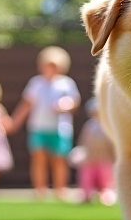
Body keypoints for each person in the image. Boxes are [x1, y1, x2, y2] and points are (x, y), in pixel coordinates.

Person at [11, 46, 80, 199]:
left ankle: (60, 189)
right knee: (38, 159)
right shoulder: (35, 83)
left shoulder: (66, 84)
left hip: (60, 129)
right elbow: (26, 105)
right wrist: (14, 122)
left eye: (54, 65)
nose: (50, 68)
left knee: (59, 160)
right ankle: (40, 190)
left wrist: (65, 105)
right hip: (38, 128)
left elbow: (74, 101)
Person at [74, 96, 117, 205]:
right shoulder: (89, 125)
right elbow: (84, 141)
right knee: (86, 177)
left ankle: (107, 193)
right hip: (89, 158)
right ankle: (87, 193)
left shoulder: (108, 125)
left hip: (105, 158)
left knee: (106, 177)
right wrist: (81, 152)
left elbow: (112, 143)